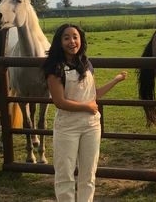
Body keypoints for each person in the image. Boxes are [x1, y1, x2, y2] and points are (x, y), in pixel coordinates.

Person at [43, 23, 127, 202]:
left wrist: (116, 80)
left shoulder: (86, 64)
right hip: (67, 127)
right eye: (66, 38)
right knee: (65, 173)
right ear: (59, 42)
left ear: (81, 40)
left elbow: (93, 95)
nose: (72, 41)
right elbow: (59, 102)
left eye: (75, 37)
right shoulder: (54, 68)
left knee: (88, 174)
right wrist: (86, 107)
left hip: (91, 126)